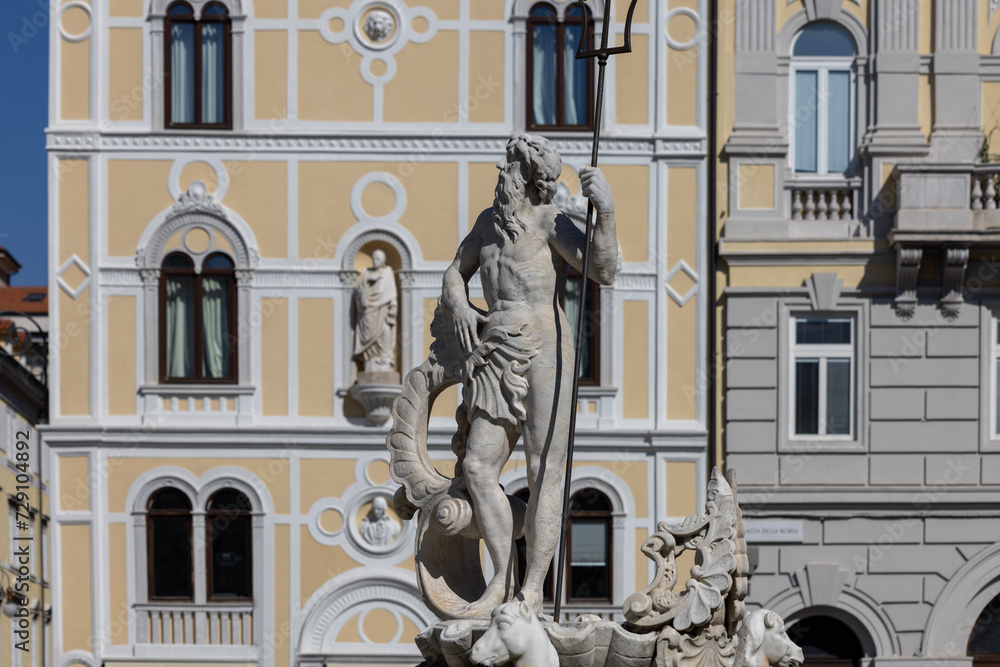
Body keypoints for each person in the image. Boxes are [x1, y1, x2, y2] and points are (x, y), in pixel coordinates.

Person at [442, 134, 617, 615]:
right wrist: (458, 300)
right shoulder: (487, 224)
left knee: (544, 470)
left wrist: (607, 212)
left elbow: (604, 269)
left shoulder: (550, 221)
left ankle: (532, 590)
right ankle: (502, 577)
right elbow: (456, 270)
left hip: (546, 348)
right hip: (495, 349)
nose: (501, 169)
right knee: (477, 467)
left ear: (530, 173)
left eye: (510, 163)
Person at [353, 249, 398, 373]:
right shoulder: (365, 274)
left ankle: (384, 361)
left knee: (385, 333)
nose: (375, 261)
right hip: (367, 314)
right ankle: (369, 361)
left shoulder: (388, 273)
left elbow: (392, 294)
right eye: (373, 258)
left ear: (383, 260)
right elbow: (359, 293)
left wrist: (393, 308)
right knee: (370, 342)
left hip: (383, 312)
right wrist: (363, 292)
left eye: (377, 259)